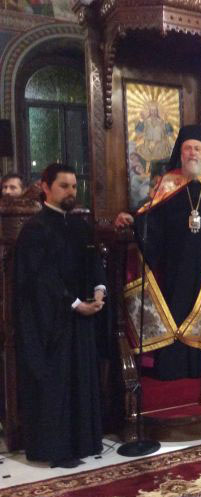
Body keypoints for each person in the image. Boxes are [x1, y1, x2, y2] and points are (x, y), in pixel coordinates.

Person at [114, 125, 201, 381]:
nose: (192, 153)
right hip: (174, 261)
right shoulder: (169, 181)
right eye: (188, 148)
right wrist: (134, 219)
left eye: (197, 148)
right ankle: (172, 367)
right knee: (174, 308)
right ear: (181, 152)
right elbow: (151, 215)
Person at [14, 163, 105, 468]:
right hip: (52, 322)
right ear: (45, 187)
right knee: (58, 382)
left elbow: (93, 261)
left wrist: (99, 291)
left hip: (82, 316)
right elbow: (41, 277)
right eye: (64, 186)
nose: (70, 192)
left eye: (74, 187)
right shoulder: (35, 229)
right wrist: (74, 303)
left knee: (81, 378)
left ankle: (85, 441)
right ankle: (58, 448)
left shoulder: (80, 225)